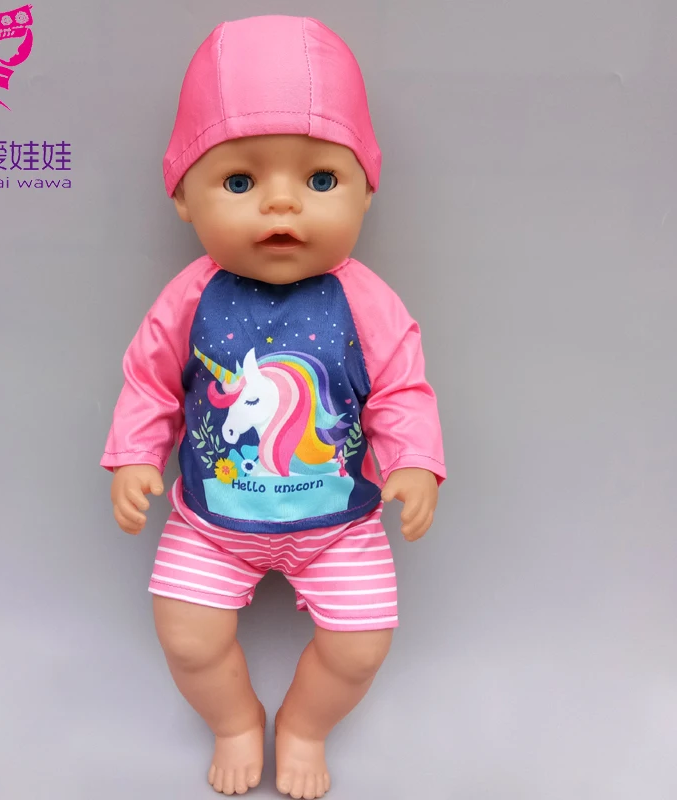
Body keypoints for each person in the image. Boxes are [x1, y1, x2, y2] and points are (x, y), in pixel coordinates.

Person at [101, 15, 446, 798]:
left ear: (366, 191)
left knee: (359, 647)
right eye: (240, 182)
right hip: (210, 523)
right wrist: (133, 455)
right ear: (183, 196)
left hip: (340, 525)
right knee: (187, 638)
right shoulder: (190, 297)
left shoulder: (367, 301)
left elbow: (401, 388)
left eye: (320, 181)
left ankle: (304, 725)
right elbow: (150, 381)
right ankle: (233, 720)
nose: (281, 206)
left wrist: (415, 461)